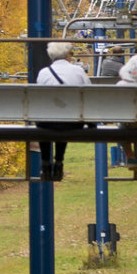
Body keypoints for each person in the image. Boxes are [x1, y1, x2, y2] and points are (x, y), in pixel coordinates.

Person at [33, 41, 90, 182]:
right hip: (72, 122)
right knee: (63, 118)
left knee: (47, 120)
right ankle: (59, 161)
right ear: (67, 55)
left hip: (46, 123)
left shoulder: (44, 73)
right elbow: (90, 93)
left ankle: (45, 163)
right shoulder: (78, 71)